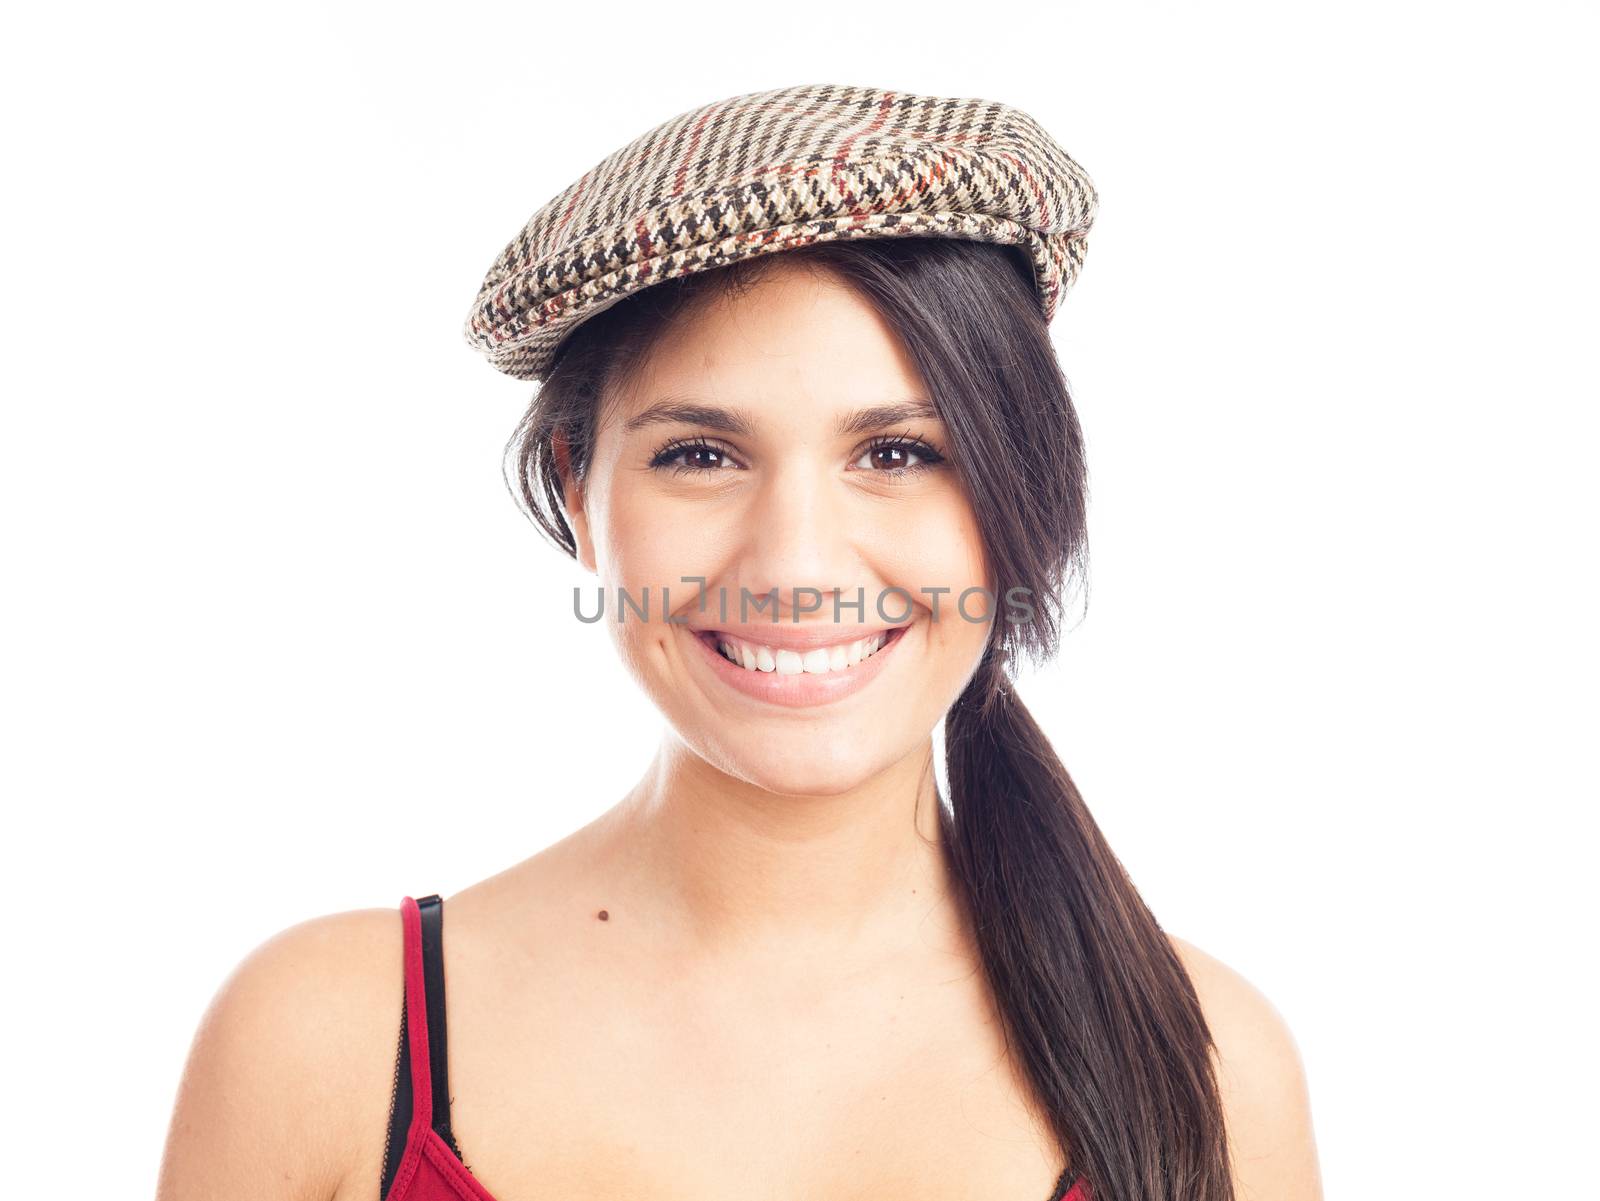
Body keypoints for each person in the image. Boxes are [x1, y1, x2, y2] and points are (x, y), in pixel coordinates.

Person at [155, 84, 1322, 1201]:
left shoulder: (1212, 1070)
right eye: (701, 455)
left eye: (900, 452)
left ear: (1013, 482)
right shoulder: (325, 1046)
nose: (797, 563)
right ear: (576, 490)